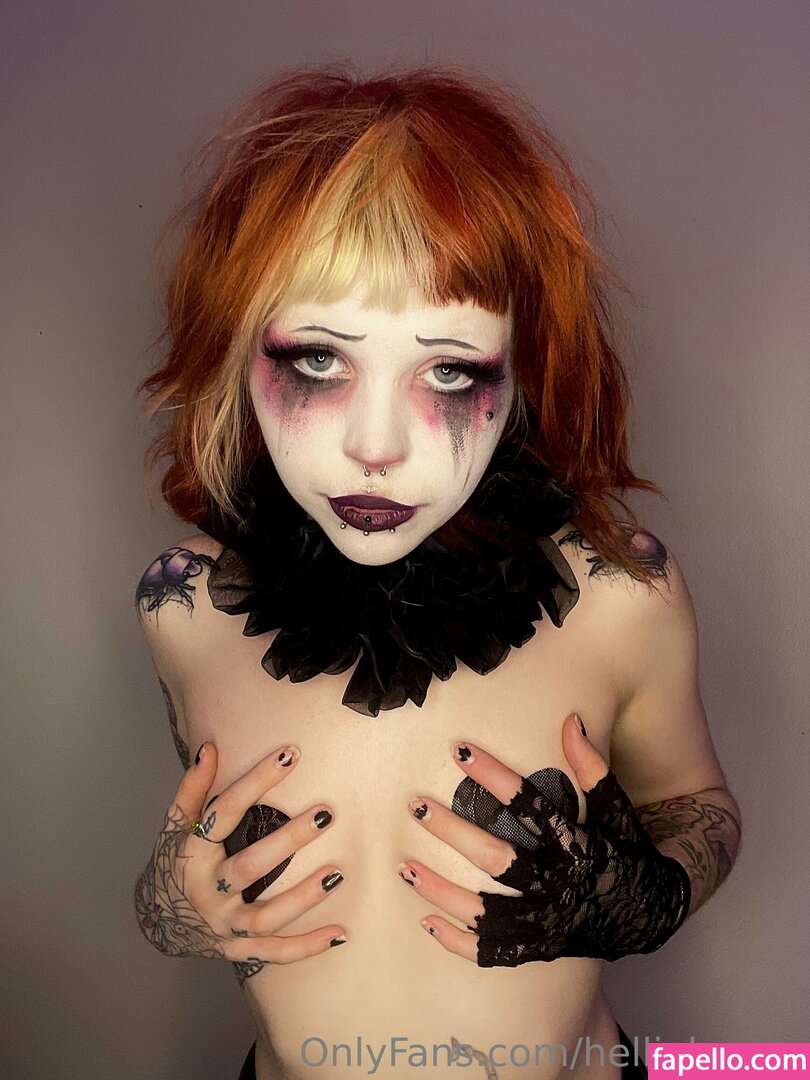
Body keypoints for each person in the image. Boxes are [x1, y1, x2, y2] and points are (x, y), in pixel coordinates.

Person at [133, 63, 742, 1080]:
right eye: (319, 359)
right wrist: (169, 906)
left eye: (450, 369)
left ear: (524, 369)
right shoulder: (181, 606)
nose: (377, 447)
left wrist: (641, 895)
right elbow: (193, 849)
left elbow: (696, 804)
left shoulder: (621, 595)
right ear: (236, 348)